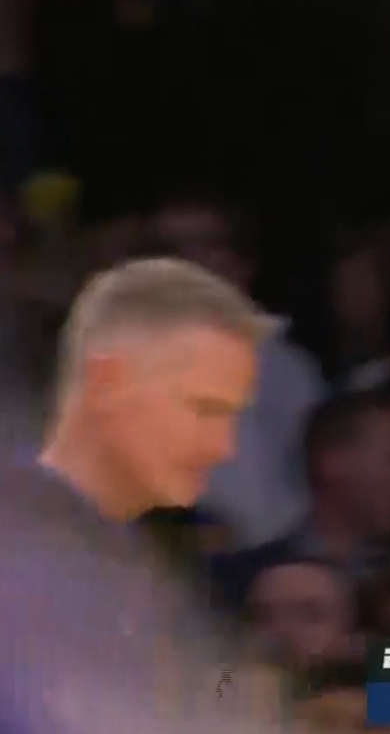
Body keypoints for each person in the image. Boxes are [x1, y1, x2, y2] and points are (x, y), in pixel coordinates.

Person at [0, 258, 292, 733]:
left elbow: (223, 682)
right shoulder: (27, 553)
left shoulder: (167, 538)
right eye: (202, 408)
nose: (223, 447)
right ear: (107, 384)